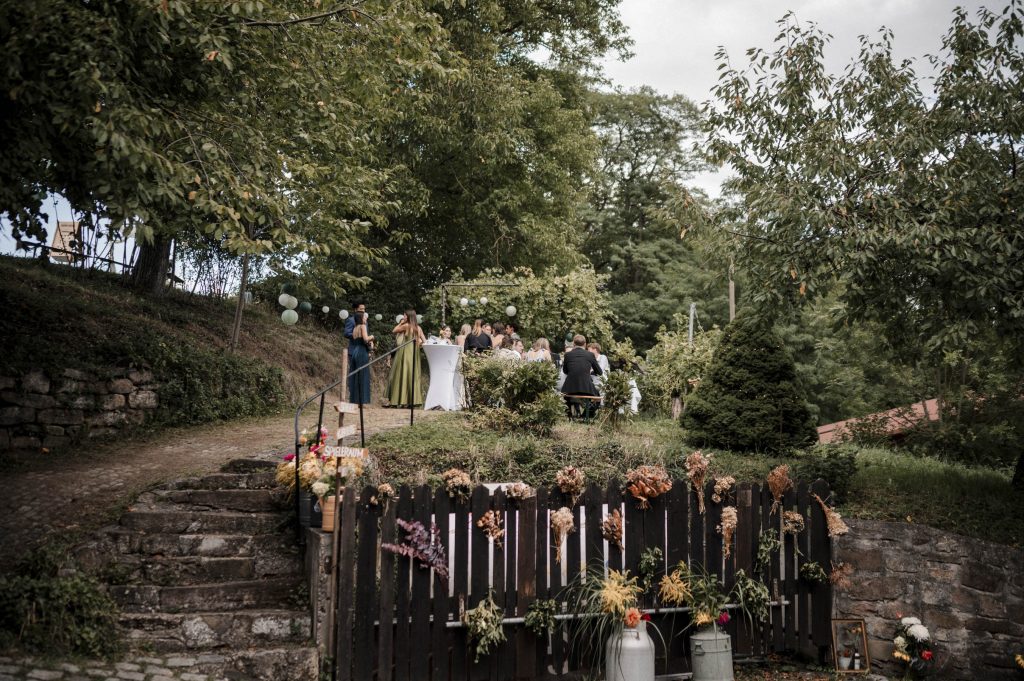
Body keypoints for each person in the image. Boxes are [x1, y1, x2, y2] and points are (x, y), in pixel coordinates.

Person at [386, 309, 426, 407]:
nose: (403, 317)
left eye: (404, 315)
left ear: (408, 317)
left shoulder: (406, 326)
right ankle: (411, 402)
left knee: (400, 375)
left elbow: (394, 330)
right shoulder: (418, 328)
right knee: (411, 375)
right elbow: (424, 341)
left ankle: (396, 401)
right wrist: (418, 344)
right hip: (414, 354)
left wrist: (401, 323)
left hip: (404, 353)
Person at [347, 312, 374, 404]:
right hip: (362, 352)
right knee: (363, 375)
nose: (366, 318)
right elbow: (366, 339)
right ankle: (362, 399)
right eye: (364, 317)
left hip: (355, 351)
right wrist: (372, 337)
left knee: (356, 375)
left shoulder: (355, 328)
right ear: (361, 318)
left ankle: (355, 399)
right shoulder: (363, 326)